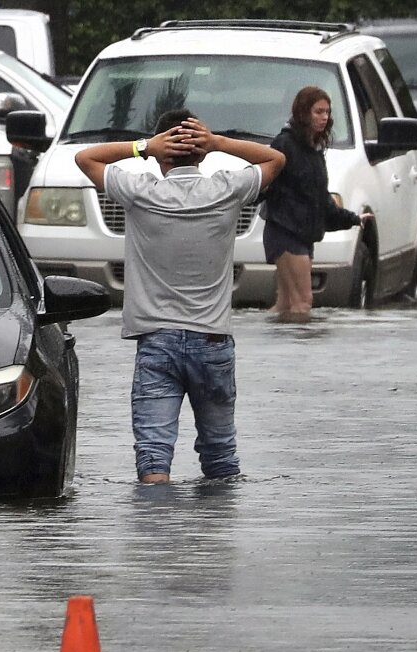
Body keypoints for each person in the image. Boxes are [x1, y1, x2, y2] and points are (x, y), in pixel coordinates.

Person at [75, 109, 284, 485]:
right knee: (221, 457)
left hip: (157, 342)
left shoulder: (140, 192)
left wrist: (143, 148)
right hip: (213, 341)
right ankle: (216, 538)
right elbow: (275, 159)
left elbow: (84, 158)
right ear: (201, 153)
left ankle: (156, 538)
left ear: (161, 152)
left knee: (154, 459)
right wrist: (218, 142)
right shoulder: (227, 188)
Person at [263, 85, 371, 321]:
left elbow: (321, 199)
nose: (324, 118)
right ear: (303, 113)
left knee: (285, 304)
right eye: (318, 112)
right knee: (302, 302)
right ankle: (301, 354)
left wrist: (353, 219)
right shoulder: (284, 144)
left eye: (327, 112)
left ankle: (277, 349)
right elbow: (265, 182)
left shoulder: (314, 151)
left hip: (302, 234)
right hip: (285, 232)